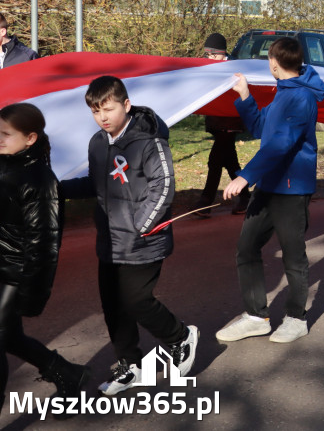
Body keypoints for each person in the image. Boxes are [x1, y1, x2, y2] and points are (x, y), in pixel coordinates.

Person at [60, 76, 198, 395]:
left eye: (107, 109)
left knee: (136, 301)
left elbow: (163, 187)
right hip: (109, 241)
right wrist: (56, 190)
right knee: (113, 308)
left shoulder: (149, 140)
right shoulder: (97, 142)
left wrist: (141, 225)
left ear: (125, 104)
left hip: (143, 241)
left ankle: (180, 338)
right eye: (95, 112)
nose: (102, 117)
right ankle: (129, 368)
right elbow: (96, 184)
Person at [216, 37, 324, 344]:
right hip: (269, 185)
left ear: (274, 63)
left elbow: (281, 144)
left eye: (268, 61)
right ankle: (256, 316)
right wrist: (245, 97)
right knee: (247, 247)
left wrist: (245, 176)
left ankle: (296, 318)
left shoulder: (301, 97)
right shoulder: (283, 92)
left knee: (293, 255)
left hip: (291, 189)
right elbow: (261, 129)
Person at [0, 103, 89, 400]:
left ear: (30, 138)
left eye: (5, 134)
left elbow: (43, 244)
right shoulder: (4, 164)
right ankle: (67, 373)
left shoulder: (39, 180)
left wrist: (31, 294)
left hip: (13, 275)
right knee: (9, 337)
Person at [196, 33, 249, 217]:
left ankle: (205, 202)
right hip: (217, 121)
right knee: (229, 161)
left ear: (223, 52)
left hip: (230, 121)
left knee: (215, 161)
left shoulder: (233, 68)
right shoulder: (207, 67)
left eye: (214, 54)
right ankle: (245, 198)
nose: (210, 58)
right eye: (207, 54)